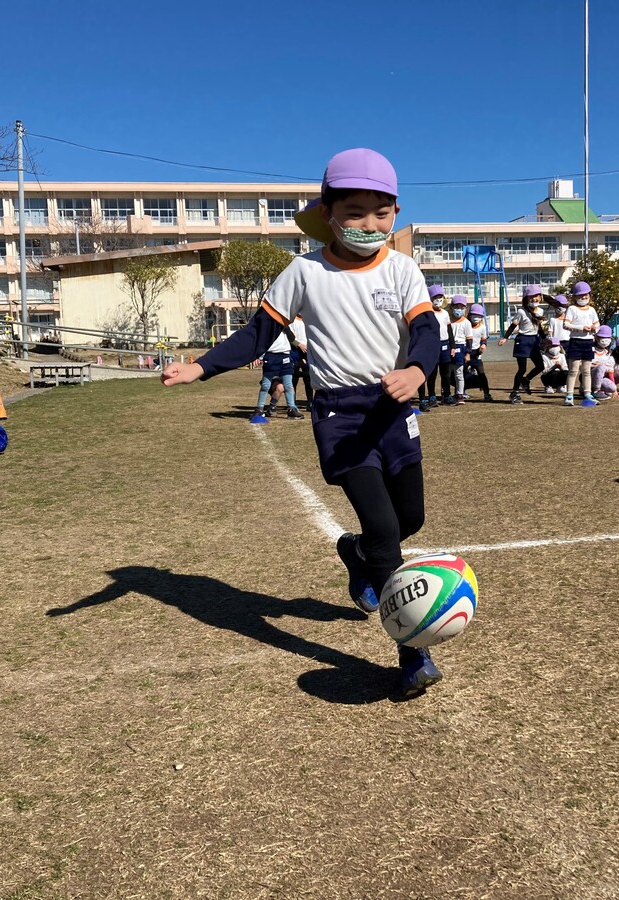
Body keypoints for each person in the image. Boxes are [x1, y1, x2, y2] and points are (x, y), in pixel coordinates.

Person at [160, 147, 445, 698]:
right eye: (355, 212)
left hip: (395, 407)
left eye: (382, 212)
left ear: (395, 211)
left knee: (410, 518)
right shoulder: (304, 272)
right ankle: (412, 653)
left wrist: (415, 369)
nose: (370, 224)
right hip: (341, 415)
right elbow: (256, 336)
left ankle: (355, 554)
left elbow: (428, 332)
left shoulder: (404, 268)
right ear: (328, 211)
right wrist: (199, 366)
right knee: (387, 531)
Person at [498, 285, 547, 403]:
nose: (534, 299)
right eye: (531, 297)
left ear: (540, 297)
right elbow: (513, 325)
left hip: (534, 341)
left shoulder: (540, 311)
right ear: (526, 298)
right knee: (522, 368)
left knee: (541, 366)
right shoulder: (521, 311)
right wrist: (505, 337)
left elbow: (538, 327)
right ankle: (514, 392)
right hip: (523, 341)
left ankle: (526, 380)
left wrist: (544, 338)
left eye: (536, 296)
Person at [563, 281, 599, 406]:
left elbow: (597, 324)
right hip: (575, 342)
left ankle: (588, 393)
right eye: (580, 295)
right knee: (573, 370)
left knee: (587, 370)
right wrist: (581, 328)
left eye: (585, 295)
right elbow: (566, 325)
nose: (583, 297)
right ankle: (569, 395)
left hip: (588, 342)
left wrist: (595, 328)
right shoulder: (572, 309)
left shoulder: (592, 310)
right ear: (575, 297)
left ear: (589, 295)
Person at [254, 330, 305, 420]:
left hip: (285, 356)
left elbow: (292, 338)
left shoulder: (285, 324)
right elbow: (261, 341)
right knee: (265, 385)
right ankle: (259, 409)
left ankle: (291, 409)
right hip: (271, 356)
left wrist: (285, 327)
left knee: (288, 385)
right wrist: (258, 356)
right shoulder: (268, 326)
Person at [418, 285, 448, 411]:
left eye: (440, 297)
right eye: (435, 297)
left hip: (442, 344)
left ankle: (435, 396)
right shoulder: (425, 313)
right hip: (427, 345)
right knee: (427, 373)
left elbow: (448, 329)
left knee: (441, 373)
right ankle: (424, 399)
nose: (438, 300)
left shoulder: (445, 313)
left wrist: (451, 345)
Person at [445, 296, 473, 405]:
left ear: (465, 308)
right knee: (446, 373)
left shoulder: (466, 322)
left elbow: (469, 339)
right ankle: (445, 394)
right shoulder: (447, 321)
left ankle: (459, 394)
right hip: (447, 346)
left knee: (459, 373)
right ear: (451, 307)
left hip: (460, 347)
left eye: (462, 307)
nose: (459, 309)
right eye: (457, 307)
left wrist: (468, 354)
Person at [465, 303, 494, 402]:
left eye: (479, 316)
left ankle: (487, 393)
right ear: (469, 315)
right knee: (460, 374)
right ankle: (460, 392)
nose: (476, 318)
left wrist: (483, 345)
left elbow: (483, 339)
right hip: (465, 353)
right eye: (474, 315)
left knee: (482, 374)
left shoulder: (482, 327)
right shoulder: (466, 324)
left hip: (476, 354)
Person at [591, 325, 616, 399]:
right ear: (596, 337)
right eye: (602, 337)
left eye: (608, 338)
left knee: (613, 388)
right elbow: (583, 364)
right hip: (590, 376)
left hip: (602, 377)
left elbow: (610, 368)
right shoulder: (591, 350)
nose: (605, 340)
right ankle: (596, 391)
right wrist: (594, 365)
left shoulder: (608, 353)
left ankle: (601, 390)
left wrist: (604, 367)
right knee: (601, 366)